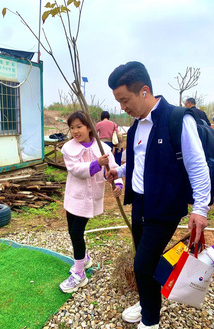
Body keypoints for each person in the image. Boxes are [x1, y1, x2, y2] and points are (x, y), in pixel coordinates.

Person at [106, 61, 211, 329]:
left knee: (142, 264)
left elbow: (197, 165)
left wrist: (200, 209)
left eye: (125, 100)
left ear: (144, 91)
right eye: (118, 102)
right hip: (140, 203)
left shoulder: (177, 119)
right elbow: (140, 162)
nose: (122, 107)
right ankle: (146, 303)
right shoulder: (137, 125)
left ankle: (150, 320)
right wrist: (119, 172)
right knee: (147, 261)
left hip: (165, 205)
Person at [59, 111, 123, 293]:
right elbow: (74, 169)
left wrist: (117, 183)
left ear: (89, 127)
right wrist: (96, 164)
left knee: (77, 232)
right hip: (74, 196)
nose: (75, 131)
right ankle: (84, 259)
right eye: (72, 128)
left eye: (79, 126)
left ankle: (79, 273)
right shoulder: (69, 148)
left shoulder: (103, 148)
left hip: (90, 198)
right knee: (72, 231)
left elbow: (114, 168)